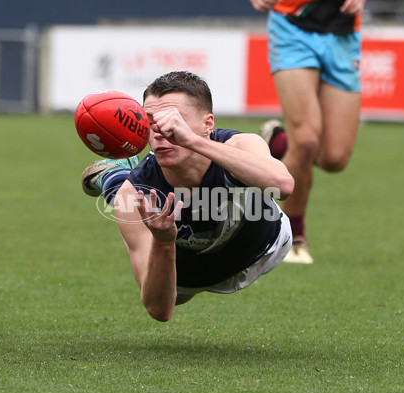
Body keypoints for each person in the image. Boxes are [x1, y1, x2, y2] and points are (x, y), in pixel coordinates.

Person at [81, 71, 295, 322]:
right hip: (192, 274)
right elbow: (159, 309)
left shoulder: (239, 143)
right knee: (127, 197)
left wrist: (192, 141)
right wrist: (162, 242)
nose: (161, 130)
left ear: (208, 125)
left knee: (257, 166)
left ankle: (267, 154)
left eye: (174, 120)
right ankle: (112, 177)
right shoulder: (135, 191)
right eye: (150, 122)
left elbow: (283, 186)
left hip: (266, 249)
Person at [249, 0, 367, 264]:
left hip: (343, 33)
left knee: (334, 159)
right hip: (291, 25)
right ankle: (293, 237)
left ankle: (277, 142)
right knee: (306, 140)